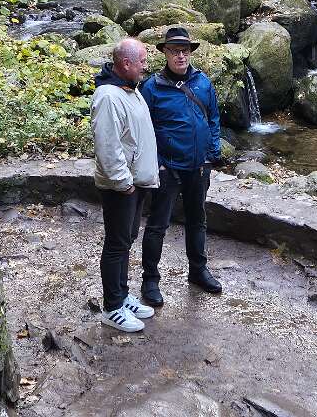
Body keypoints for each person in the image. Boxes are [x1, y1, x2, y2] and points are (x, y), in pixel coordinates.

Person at [140, 25, 223, 307]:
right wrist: (158, 164)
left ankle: (198, 270)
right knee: (157, 225)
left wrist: (212, 152)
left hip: (199, 166)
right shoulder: (152, 88)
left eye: (185, 50)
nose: (180, 56)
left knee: (197, 220)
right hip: (169, 169)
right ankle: (150, 280)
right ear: (165, 53)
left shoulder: (202, 82)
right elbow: (144, 131)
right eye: (175, 51)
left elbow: (213, 118)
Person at [91, 37, 159, 332]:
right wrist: (123, 184)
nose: (146, 66)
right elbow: (108, 146)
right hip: (121, 187)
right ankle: (112, 308)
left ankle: (121, 296)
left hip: (135, 183)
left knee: (125, 240)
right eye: (142, 61)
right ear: (127, 63)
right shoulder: (108, 96)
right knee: (116, 244)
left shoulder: (130, 89)